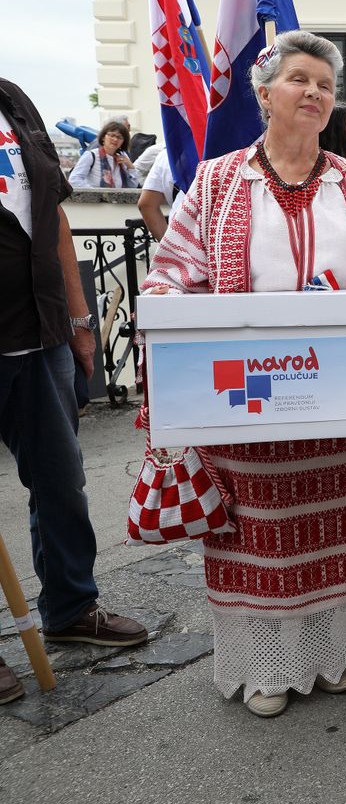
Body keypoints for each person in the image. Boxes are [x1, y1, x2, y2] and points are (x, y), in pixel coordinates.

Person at [141, 32, 346, 718]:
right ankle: (268, 667)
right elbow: (171, 273)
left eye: (325, 85)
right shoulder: (215, 182)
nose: (314, 93)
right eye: (299, 80)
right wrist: (168, 311)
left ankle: (336, 654)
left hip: (341, 400)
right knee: (260, 535)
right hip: (247, 399)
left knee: (340, 525)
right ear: (263, 94)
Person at [0, 78, 149, 706]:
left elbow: (53, 216)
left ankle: (70, 607)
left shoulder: (11, 101)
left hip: (40, 333)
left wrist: (81, 321)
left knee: (61, 479)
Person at [68, 117, 139, 189]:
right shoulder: (91, 155)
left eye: (119, 137)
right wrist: (96, 193)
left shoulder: (122, 157)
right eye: (112, 135)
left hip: (119, 196)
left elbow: (132, 186)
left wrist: (130, 166)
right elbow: (74, 179)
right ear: (103, 137)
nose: (115, 139)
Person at [137, 148, 181, 241]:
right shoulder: (214, 151)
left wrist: (167, 245)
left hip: (182, 235)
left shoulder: (166, 155)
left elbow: (147, 204)